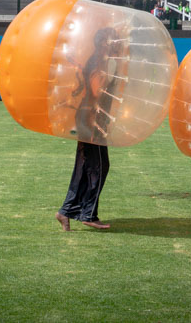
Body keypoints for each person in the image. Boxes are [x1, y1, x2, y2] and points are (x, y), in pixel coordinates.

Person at [55, 27, 126, 232]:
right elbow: (97, 90)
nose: (117, 45)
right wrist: (115, 64)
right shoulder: (99, 61)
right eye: (114, 42)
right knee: (98, 166)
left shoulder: (102, 60)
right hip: (91, 120)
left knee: (86, 166)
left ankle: (66, 211)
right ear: (104, 43)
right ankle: (87, 214)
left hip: (93, 119)